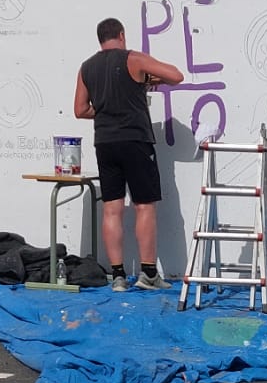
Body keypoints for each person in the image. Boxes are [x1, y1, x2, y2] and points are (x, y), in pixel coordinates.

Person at [74, 16, 185, 291]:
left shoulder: (86, 67)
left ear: (100, 39)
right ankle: (148, 273)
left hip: (105, 142)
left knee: (112, 208)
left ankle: (118, 276)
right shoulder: (133, 58)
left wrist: (106, 108)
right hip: (135, 139)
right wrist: (149, 77)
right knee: (144, 206)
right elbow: (176, 76)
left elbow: (80, 109)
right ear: (121, 35)